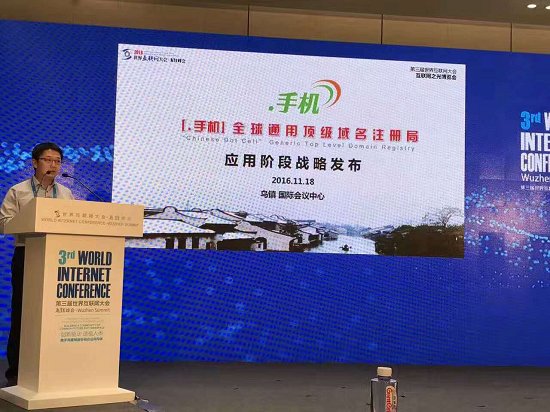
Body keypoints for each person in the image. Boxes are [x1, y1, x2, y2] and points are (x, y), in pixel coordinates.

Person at [0, 142, 75, 386]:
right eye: (48, 160)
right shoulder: (18, 191)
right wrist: (30, 219)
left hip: (58, 259)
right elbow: (4, 223)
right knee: (23, 313)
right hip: (27, 254)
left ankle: (52, 368)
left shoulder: (66, 193)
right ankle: (17, 372)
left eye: (57, 161)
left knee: (54, 314)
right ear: (35, 163)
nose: (53, 165)